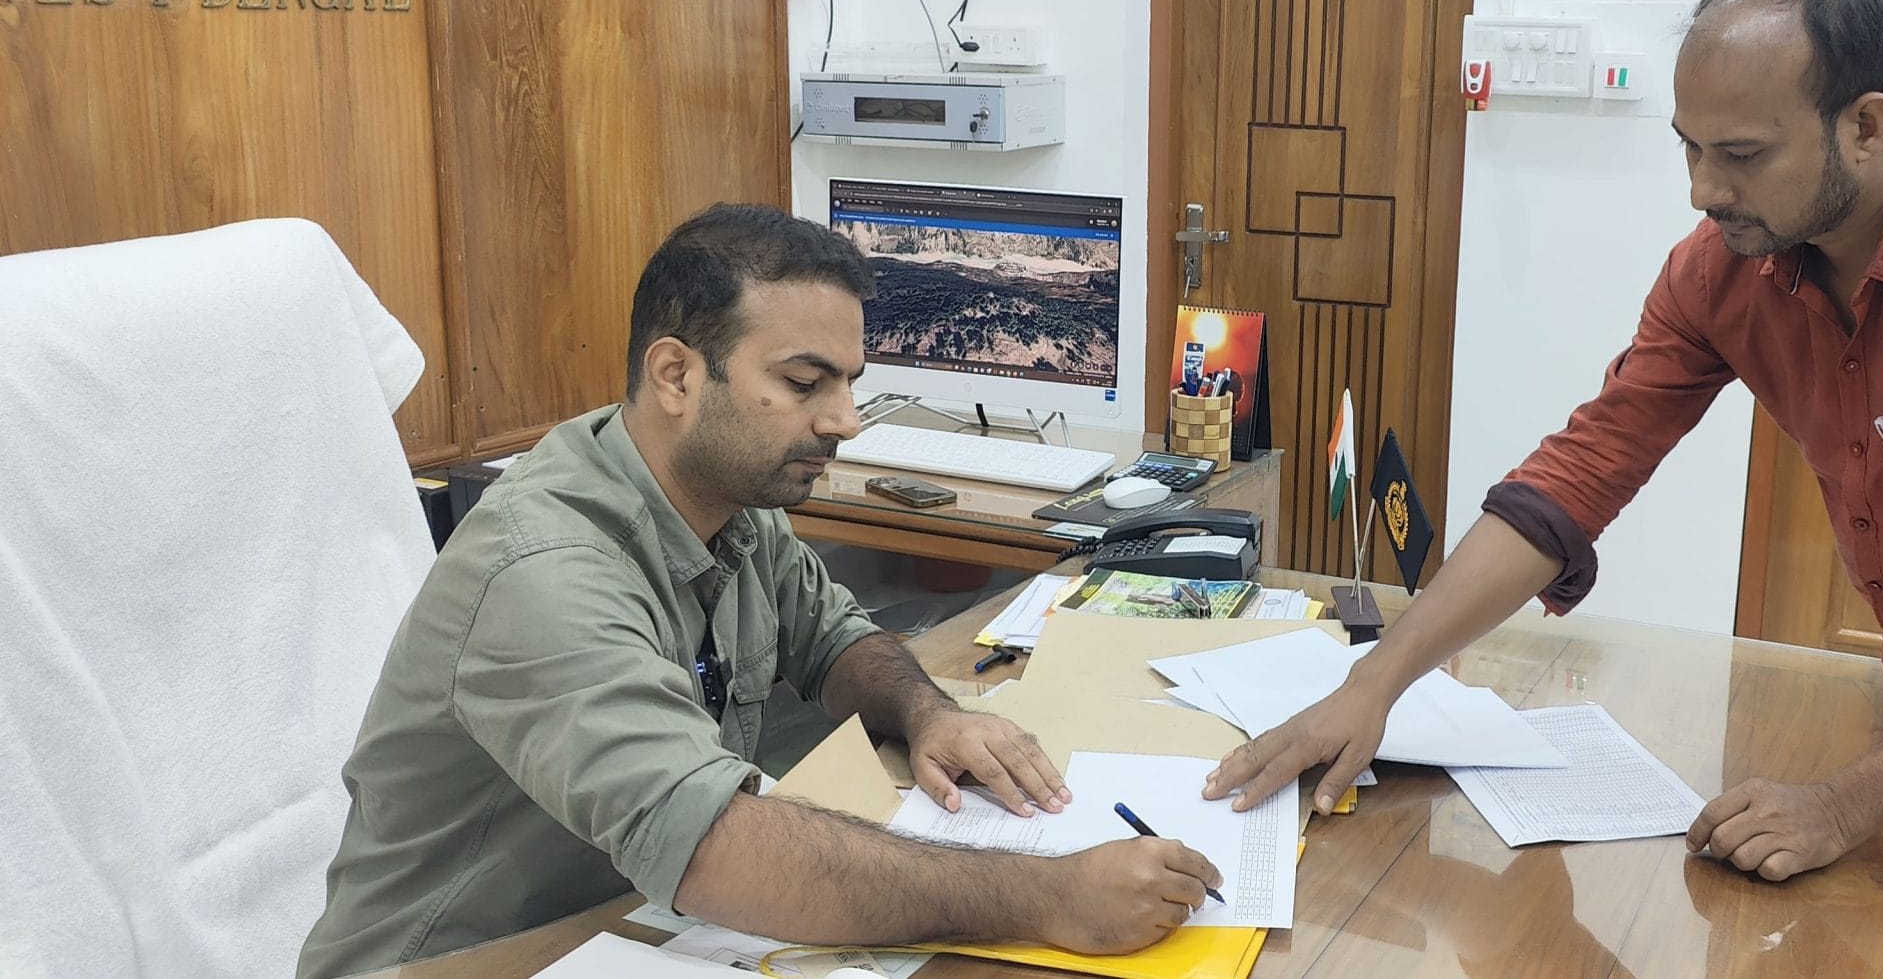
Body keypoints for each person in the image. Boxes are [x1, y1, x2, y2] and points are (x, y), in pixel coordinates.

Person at [1200, 0, 1883, 979]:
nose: (1699, 189)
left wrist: (1840, 804)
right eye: (1685, 148)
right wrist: (1376, 682)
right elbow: (1575, 476)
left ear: (1863, 125)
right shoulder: (1727, 268)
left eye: (1738, 153)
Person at [299, 205, 1218, 978]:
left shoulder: (725, 496)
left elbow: (833, 638)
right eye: (804, 381)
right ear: (676, 374)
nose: (844, 420)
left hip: (636, 926)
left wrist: (929, 712)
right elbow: (711, 846)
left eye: (850, 382)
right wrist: (1051, 896)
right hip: (479, 958)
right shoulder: (540, 569)